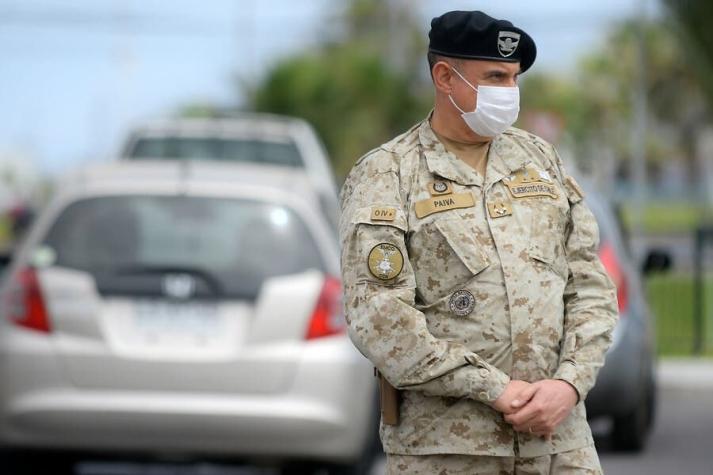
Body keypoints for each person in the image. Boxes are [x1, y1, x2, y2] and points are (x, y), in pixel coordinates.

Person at [338, 10, 618, 475]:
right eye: (494, 77)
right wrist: (494, 389)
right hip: (448, 448)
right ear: (445, 77)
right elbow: (379, 317)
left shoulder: (539, 160)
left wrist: (568, 385)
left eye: (513, 79)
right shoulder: (388, 174)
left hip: (559, 442)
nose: (508, 92)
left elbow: (589, 285)